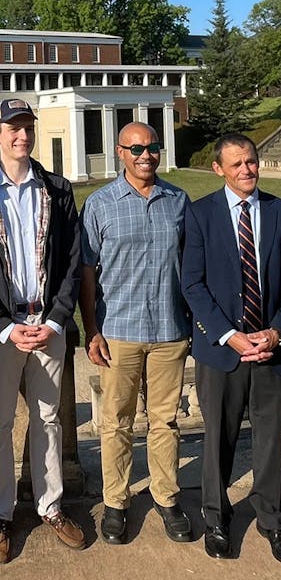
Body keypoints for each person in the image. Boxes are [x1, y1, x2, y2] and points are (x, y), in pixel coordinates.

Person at [181, 134, 281, 565]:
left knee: (271, 439)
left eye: (251, 162)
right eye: (235, 165)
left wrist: (276, 333)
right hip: (222, 351)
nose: (246, 171)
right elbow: (192, 285)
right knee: (219, 436)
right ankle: (217, 517)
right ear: (219, 169)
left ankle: (272, 519)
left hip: (273, 349)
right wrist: (228, 336)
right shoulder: (200, 215)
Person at [80, 121, 193, 546]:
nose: (146, 155)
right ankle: (117, 500)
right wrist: (91, 329)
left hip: (168, 329)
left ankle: (166, 496)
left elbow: (191, 268)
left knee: (165, 421)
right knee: (116, 422)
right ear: (120, 153)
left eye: (153, 147)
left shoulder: (178, 202)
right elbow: (87, 273)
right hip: (118, 331)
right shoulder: (100, 204)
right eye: (137, 148)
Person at [0, 98, 84, 562]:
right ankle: (1, 512)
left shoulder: (56, 188)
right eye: (13, 127)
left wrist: (54, 319)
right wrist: (6, 327)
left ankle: (50, 505)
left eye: (27, 127)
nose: (22, 136)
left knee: (48, 419)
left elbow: (73, 262)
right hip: (2, 330)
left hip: (49, 325)